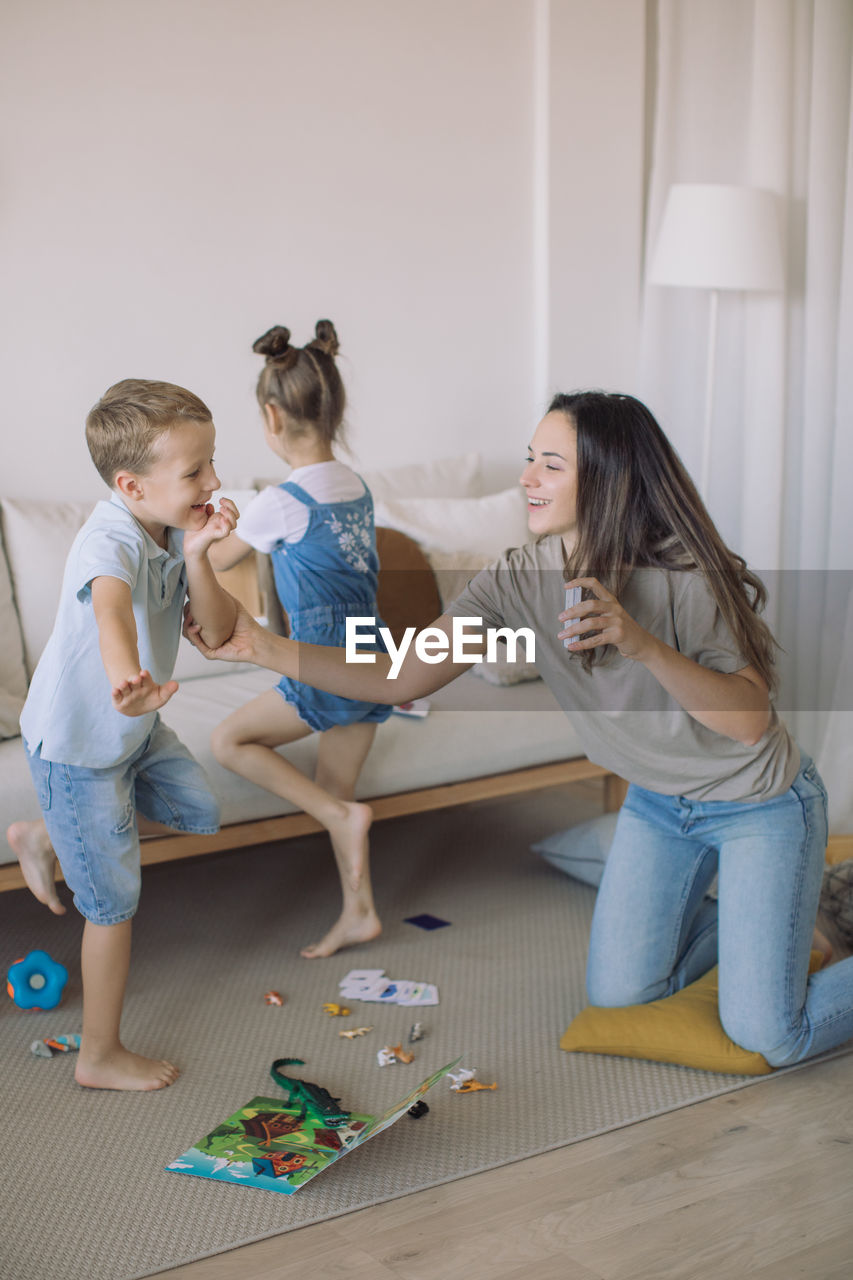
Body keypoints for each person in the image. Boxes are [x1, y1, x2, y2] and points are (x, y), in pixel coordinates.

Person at [186, 390, 853, 1068]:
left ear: (607, 479)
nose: (526, 478)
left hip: (756, 806)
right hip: (658, 804)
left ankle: (775, 938)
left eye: (550, 466)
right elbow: (398, 678)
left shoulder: (684, 574)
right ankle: (777, 932)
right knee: (621, 997)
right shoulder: (514, 580)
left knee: (769, 1034)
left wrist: (640, 642)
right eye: (530, 460)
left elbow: (746, 724)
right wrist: (262, 649)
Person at [7, 379, 238, 1091]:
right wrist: (126, 677)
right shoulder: (106, 538)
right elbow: (109, 608)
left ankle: (46, 834)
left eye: (211, 462)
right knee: (112, 906)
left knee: (201, 813)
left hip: (132, 735)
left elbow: (221, 629)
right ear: (131, 485)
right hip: (81, 744)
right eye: (194, 471)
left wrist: (200, 553)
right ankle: (98, 1055)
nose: (214, 480)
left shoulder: (171, 529)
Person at [205, 320, 390, 958]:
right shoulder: (357, 487)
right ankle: (359, 911)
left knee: (230, 740)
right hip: (375, 651)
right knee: (340, 793)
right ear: (334, 409)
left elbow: (223, 559)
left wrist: (204, 529)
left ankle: (340, 819)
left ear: (272, 417)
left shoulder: (280, 501)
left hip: (326, 660)